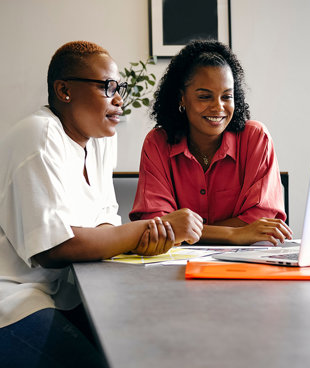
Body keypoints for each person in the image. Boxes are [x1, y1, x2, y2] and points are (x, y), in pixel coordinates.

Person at [0, 41, 203, 367]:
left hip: (60, 295)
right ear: (64, 90)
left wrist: (145, 241)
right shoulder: (39, 136)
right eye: (108, 87)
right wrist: (144, 229)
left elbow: (105, 223)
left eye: (118, 87)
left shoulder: (98, 142)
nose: (119, 98)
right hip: (12, 300)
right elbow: (53, 248)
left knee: (146, 343)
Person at [130, 40, 292, 246]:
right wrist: (234, 234)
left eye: (227, 96)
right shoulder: (158, 143)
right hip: (175, 267)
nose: (219, 107)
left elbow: (262, 222)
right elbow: (157, 226)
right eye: (205, 96)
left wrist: (187, 231)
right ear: (182, 98)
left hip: (246, 265)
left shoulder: (256, 138)